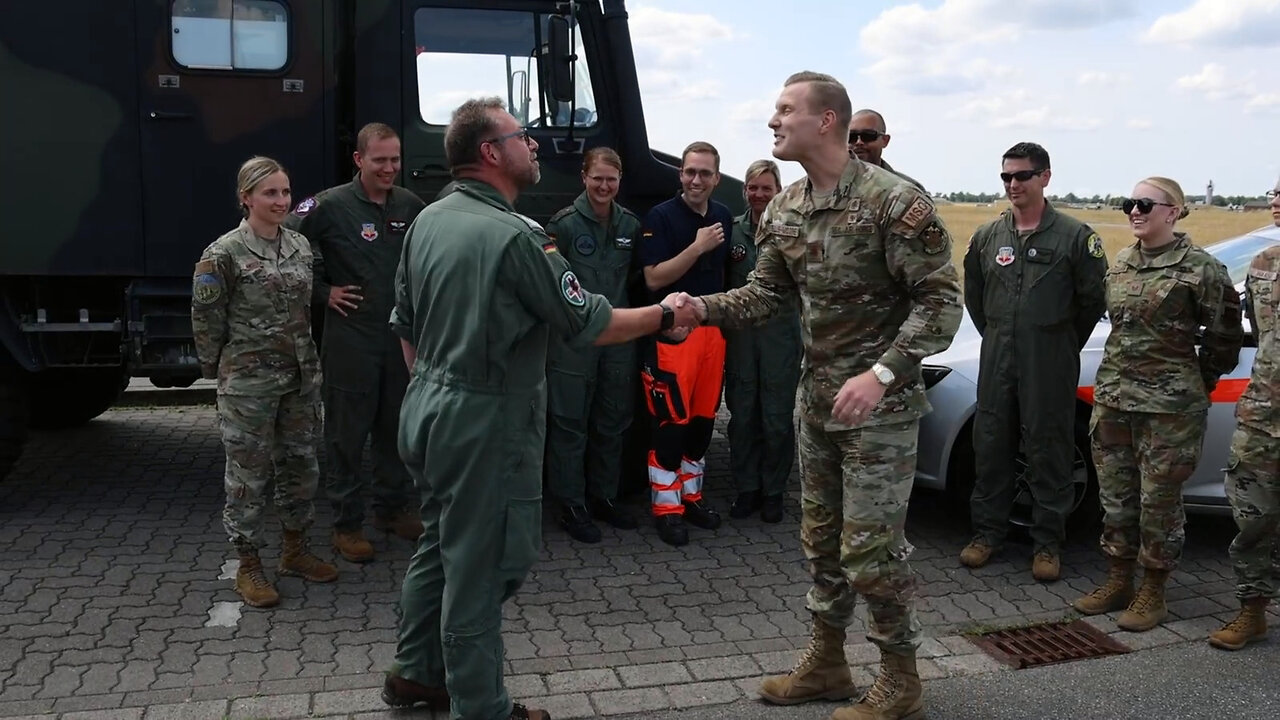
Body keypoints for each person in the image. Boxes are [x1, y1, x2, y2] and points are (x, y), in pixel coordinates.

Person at [381, 97, 699, 720]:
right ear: (491, 153)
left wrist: (439, 389)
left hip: (430, 408)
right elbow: (589, 322)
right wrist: (666, 316)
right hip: (485, 421)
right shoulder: (516, 235)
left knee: (441, 544)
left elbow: (405, 323)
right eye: (522, 136)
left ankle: (415, 674)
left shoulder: (429, 219)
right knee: (489, 561)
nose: (533, 145)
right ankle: (481, 705)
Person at [681, 71, 962, 720]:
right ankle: (829, 662)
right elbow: (764, 297)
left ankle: (900, 680)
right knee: (822, 542)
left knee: (870, 551)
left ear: (826, 121)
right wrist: (699, 307)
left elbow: (942, 304)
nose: (773, 121)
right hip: (817, 408)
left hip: (881, 414)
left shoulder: (895, 203)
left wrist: (883, 372)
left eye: (785, 110)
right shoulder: (785, 210)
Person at [1071, 177, 1242, 632]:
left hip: (1170, 412)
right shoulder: (1122, 263)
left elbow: (1225, 338)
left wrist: (1194, 381)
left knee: (1159, 503)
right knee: (1116, 499)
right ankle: (1118, 579)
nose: (1134, 211)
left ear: (1173, 211)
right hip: (1113, 403)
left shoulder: (1201, 269)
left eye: (1145, 204)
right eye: (1130, 203)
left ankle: (1154, 590)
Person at [191, 156, 339, 609]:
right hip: (248, 385)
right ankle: (249, 563)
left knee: (300, 468)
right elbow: (206, 317)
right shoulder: (223, 253)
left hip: (298, 378)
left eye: (285, 192)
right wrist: (218, 373)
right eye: (270, 193)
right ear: (246, 197)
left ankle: (295, 550)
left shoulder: (298, 245)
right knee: (248, 477)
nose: (281, 201)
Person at [960, 142, 1109, 582]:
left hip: (1050, 361)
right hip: (998, 358)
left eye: (1022, 175)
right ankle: (987, 533)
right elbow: (975, 296)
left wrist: (1055, 342)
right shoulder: (988, 237)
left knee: (1050, 448)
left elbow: (1090, 302)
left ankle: (1048, 542)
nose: (1012, 184)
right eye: (1006, 176)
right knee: (990, 445)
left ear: (1044, 177)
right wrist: (1003, 336)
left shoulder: (1076, 237)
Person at [285, 122, 427, 563]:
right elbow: (283, 244)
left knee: (396, 428)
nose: (389, 168)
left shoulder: (410, 205)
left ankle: (392, 509)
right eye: (380, 160)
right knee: (346, 435)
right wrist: (323, 292)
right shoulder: (327, 205)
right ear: (359, 160)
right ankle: (346, 525)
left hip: (398, 338)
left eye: (395, 159)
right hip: (351, 339)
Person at [636, 141, 734, 547]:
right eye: (690, 171)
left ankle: (691, 498)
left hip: (712, 334)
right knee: (670, 425)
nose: (696, 180)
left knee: (702, 423)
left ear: (715, 177)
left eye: (705, 173)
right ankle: (666, 508)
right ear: (680, 174)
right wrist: (697, 247)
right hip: (673, 336)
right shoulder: (660, 217)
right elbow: (654, 279)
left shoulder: (724, 216)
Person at [544, 147, 643, 543]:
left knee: (612, 422)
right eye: (597, 178)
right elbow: (551, 286)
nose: (604, 186)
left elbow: (636, 280)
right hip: (574, 344)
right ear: (583, 177)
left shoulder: (631, 226)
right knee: (570, 424)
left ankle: (603, 496)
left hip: (617, 339)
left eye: (612, 179)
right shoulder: (563, 225)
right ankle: (570, 504)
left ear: (620, 181)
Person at [1209, 182, 1280, 650]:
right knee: (1252, 514)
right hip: (1264, 412)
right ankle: (1252, 611)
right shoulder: (1264, 265)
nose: (1276, 199)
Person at [724, 159, 801, 524]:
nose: (758, 194)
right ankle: (747, 489)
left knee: (776, 420)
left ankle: (773, 492)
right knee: (742, 417)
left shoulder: (791, 232)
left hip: (780, 339)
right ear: (745, 191)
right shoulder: (732, 232)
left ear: (778, 192)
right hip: (741, 340)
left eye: (766, 188)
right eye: (753, 187)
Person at [847, 109, 925, 192]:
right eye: (852, 137)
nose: (859, 142)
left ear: (885, 140)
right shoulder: (833, 184)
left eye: (868, 136)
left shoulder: (908, 190)